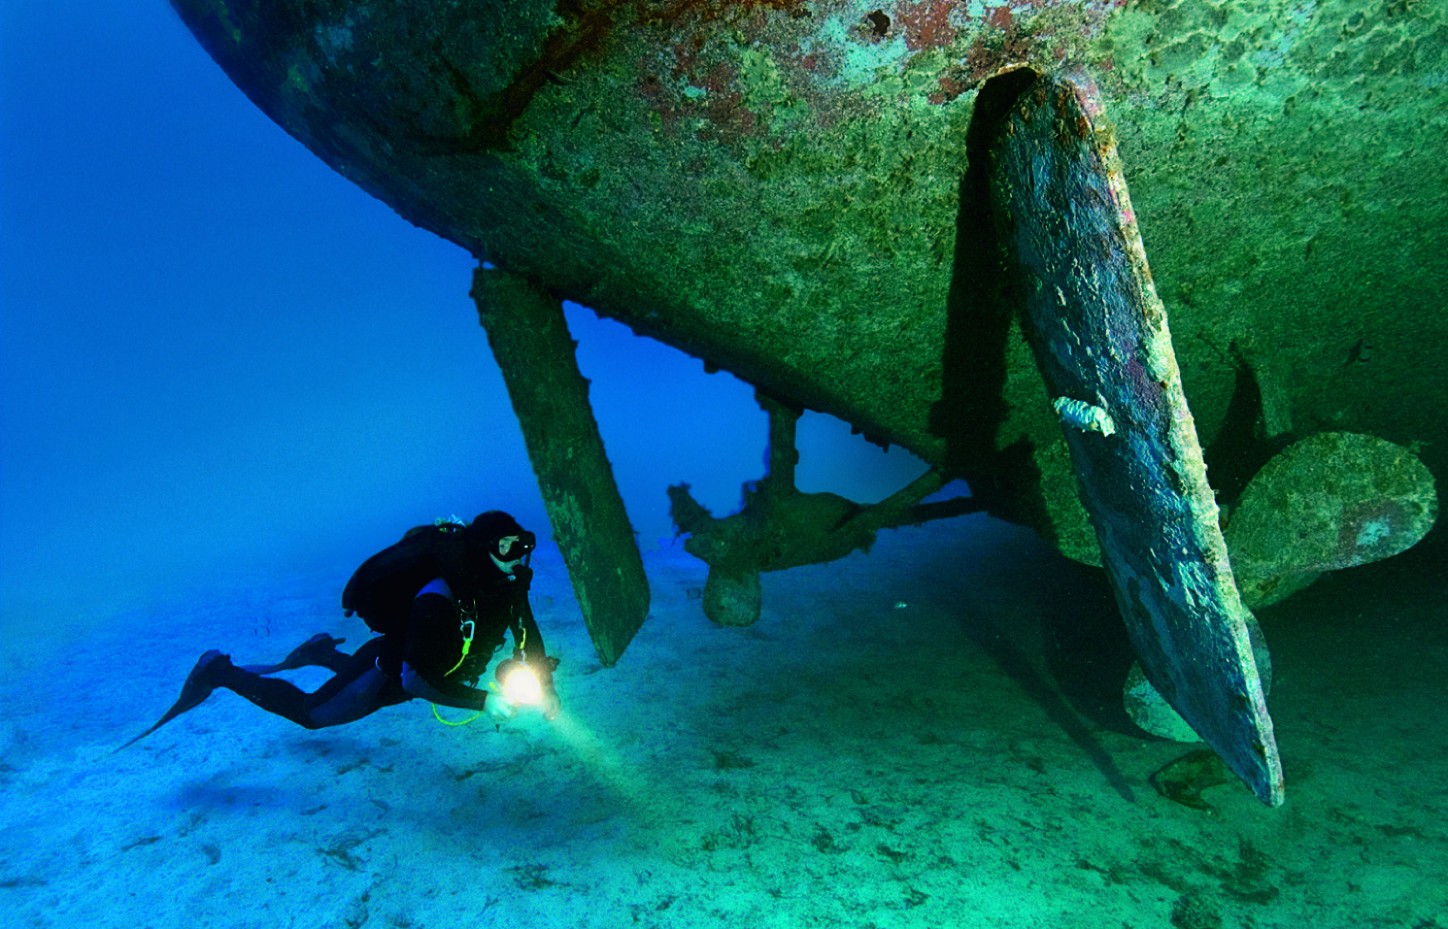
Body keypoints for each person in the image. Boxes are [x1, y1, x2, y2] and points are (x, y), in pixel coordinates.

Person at [122, 511, 559, 749]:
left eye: (523, 545)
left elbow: (527, 636)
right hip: (389, 671)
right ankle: (218, 670)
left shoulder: (506, 587)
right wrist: (485, 702)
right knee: (313, 716)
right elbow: (413, 679)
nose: (519, 557)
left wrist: (546, 683)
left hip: (424, 669)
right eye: (508, 548)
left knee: (366, 679)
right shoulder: (437, 595)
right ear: (483, 550)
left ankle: (318, 653)